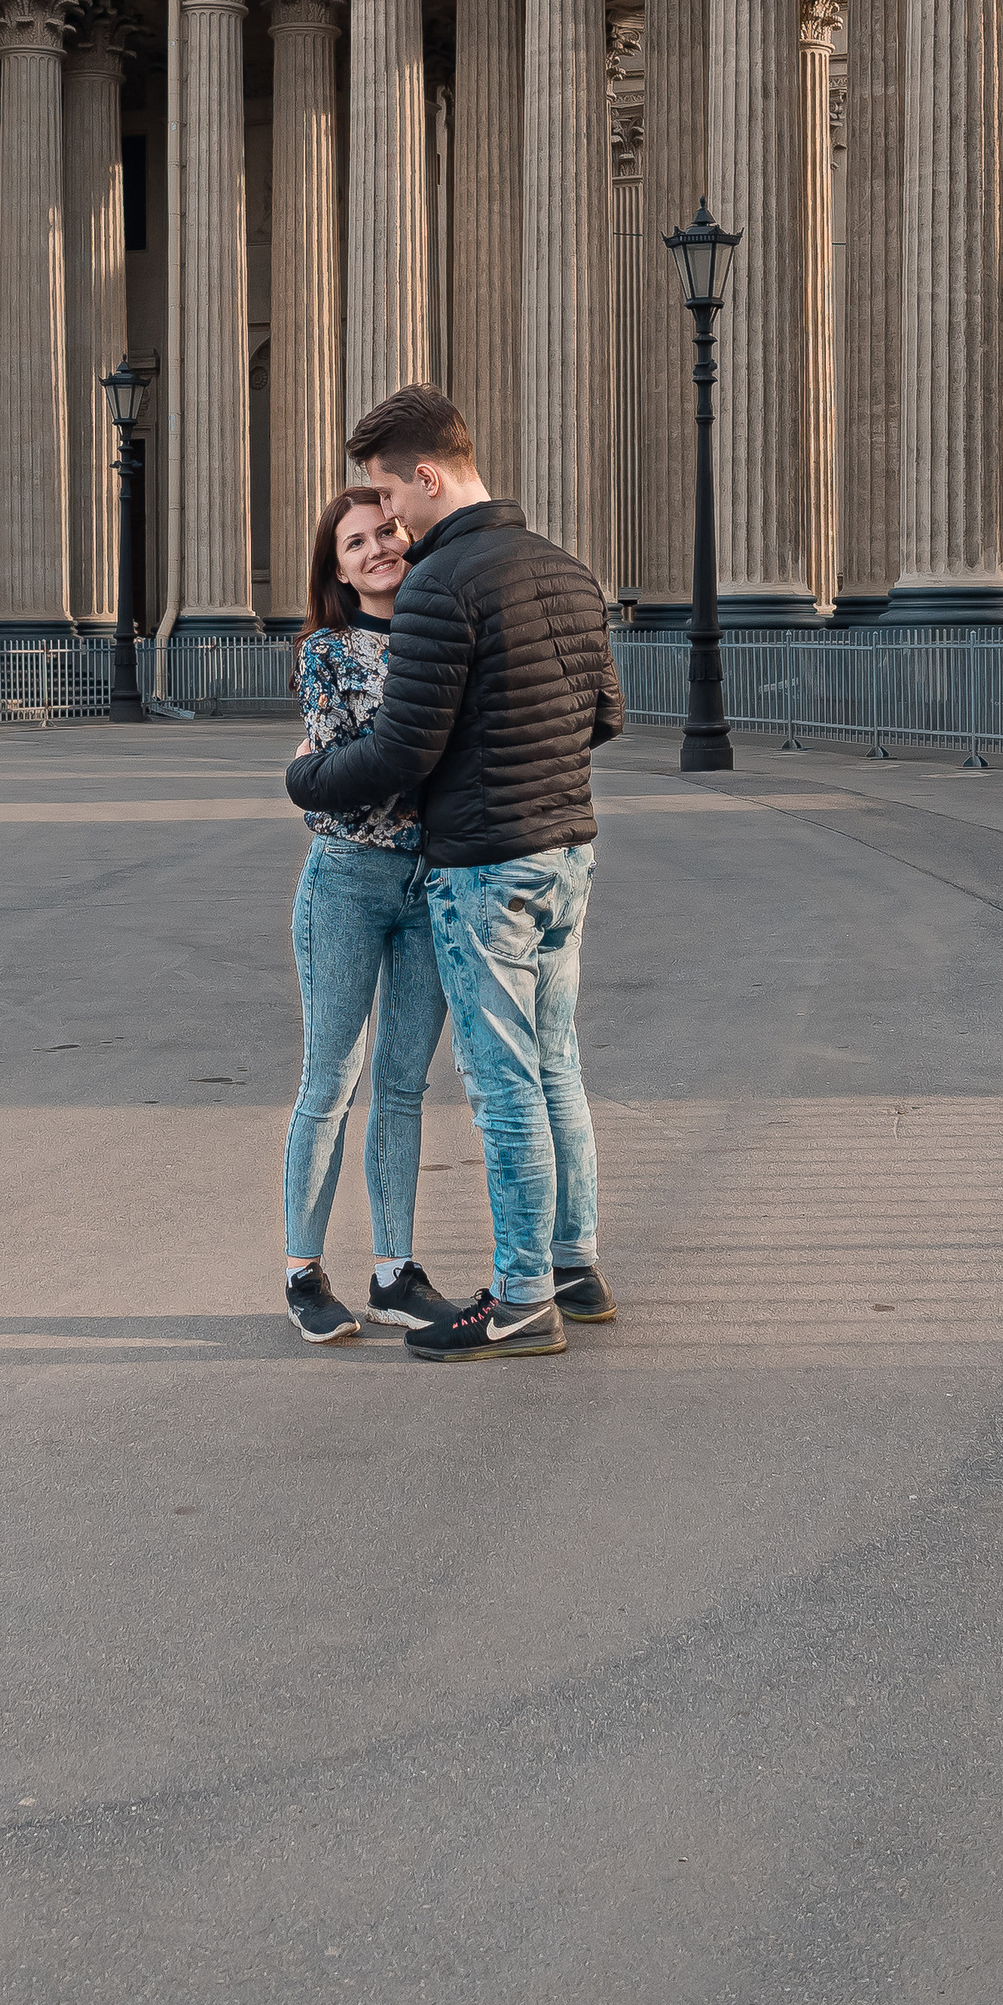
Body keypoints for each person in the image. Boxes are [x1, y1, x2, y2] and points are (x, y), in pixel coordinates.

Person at [285, 384, 623, 1361]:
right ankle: (573, 1264)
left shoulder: (443, 579)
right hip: (569, 849)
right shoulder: (563, 567)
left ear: (428, 475)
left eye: (390, 493)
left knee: (503, 1078)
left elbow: (402, 749)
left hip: (486, 862)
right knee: (556, 1062)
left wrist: (305, 775)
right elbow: (604, 714)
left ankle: (520, 1298)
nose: (388, 516)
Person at [281, 487, 459, 1349]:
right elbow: (345, 775)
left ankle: (394, 1272)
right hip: (349, 879)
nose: (378, 549)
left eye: (386, 531)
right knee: (331, 1083)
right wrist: (411, 750)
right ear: (337, 568)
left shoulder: (438, 632)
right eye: (355, 543)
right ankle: (304, 1272)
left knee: (403, 1085)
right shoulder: (324, 649)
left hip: (432, 884)